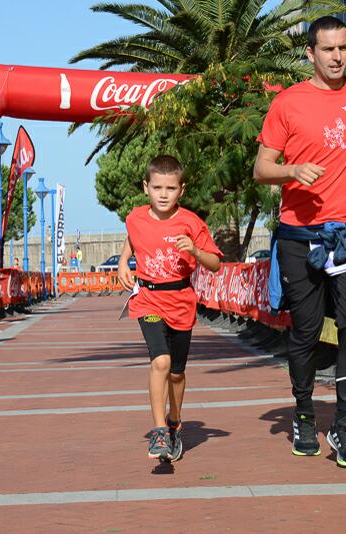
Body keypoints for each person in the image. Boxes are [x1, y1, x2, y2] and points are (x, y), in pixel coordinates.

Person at [253, 16, 346, 468]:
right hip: (300, 235)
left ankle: (342, 423)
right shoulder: (287, 103)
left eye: (344, 48)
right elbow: (262, 168)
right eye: (329, 49)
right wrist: (292, 171)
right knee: (304, 330)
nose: (338, 57)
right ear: (311, 54)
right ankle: (303, 412)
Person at [118, 155, 222, 462]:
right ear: (146, 187)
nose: (163, 194)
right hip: (148, 300)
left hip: (180, 302)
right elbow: (133, 239)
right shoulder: (135, 217)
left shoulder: (191, 222)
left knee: (176, 373)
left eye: (171, 188)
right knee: (160, 361)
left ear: (182, 190)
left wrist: (196, 251)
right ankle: (160, 430)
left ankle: (175, 420)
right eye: (157, 187)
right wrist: (124, 262)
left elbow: (215, 263)